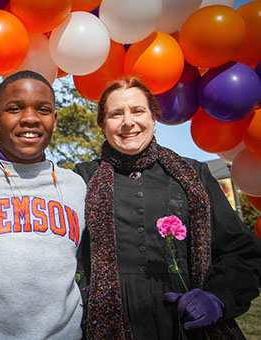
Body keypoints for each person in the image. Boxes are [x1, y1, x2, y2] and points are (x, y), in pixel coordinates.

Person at [74, 77, 261, 339]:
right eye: (116, 114)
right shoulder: (81, 180)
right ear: (102, 125)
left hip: (186, 325)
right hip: (107, 323)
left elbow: (241, 251)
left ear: (153, 118)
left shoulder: (195, 175)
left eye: (138, 111)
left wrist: (217, 297)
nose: (128, 122)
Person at [0, 70, 86, 339]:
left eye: (43, 109)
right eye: (15, 108)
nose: (30, 119)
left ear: (54, 121)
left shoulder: (77, 187)